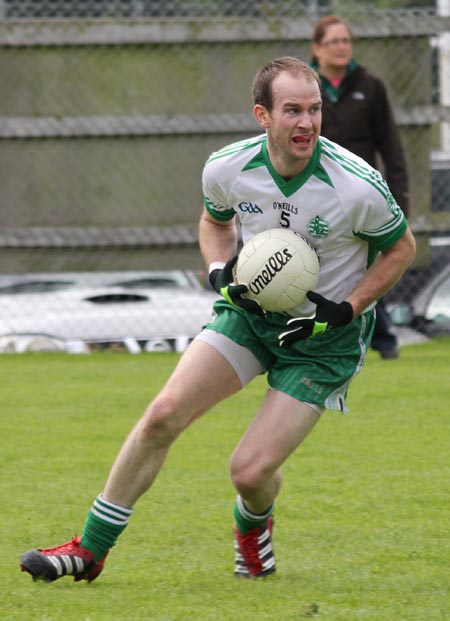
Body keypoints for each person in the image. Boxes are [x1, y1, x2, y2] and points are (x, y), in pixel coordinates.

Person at [19, 57, 415, 582]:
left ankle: (253, 524)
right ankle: (89, 548)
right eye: (292, 110)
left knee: (248, 473)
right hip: (249, 315)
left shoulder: (357, 186)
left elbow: (401, 250)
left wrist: (346, 309)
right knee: (162, 414)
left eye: (315, 110)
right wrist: (218, 273)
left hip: (322, 341)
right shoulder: (227, 168)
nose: (307, 123)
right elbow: (214, 221)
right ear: (262, 115)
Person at [311, 14, 410, 359]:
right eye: (333, 41)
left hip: (361, 197)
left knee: (365, 266)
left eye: (346, 41)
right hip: (316, 196)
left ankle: (382, 338)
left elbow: (391, 148)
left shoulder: (370, 85)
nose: (341, 47)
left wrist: (400, 201)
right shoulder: (307, 86)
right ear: (316, 48)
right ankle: (370, 336)